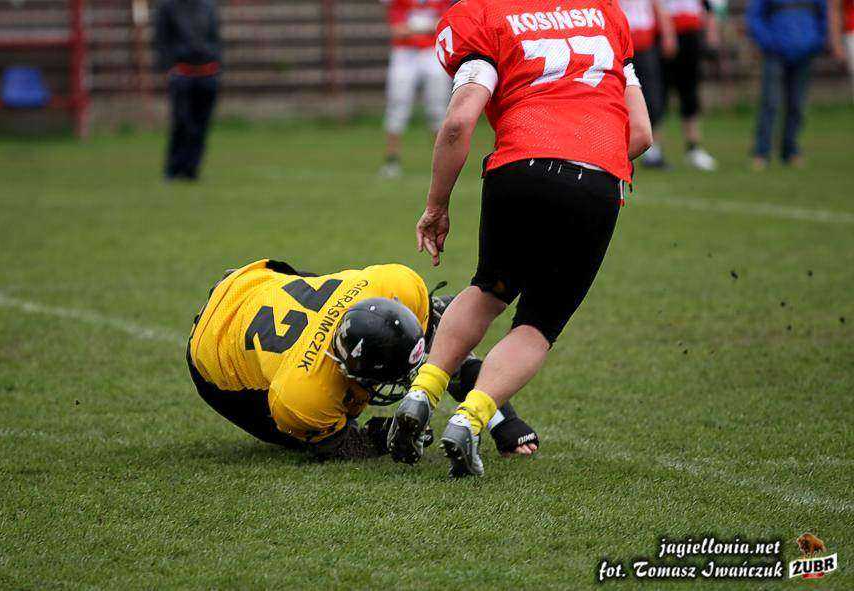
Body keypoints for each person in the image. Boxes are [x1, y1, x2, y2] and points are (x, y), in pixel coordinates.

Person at [387, 0, 652, 476]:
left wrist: (436, 205)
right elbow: (642, 133)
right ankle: (470, 418)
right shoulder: (606, 13)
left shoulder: (484, 15)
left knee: (489, 289)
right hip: (596, 175)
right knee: (539, 321)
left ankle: (422, 393)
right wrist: (590, 162)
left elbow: (458, 122)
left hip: (519, 167)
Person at [187, 258, 539, 460]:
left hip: (254, 280)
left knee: (439, 332)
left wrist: (503, 420)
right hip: (212, 345)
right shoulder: (304, 392)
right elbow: (342, 446)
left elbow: (449, 350)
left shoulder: (397, 287)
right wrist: (381, 439)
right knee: (306, 438)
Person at [747, 0, 831, 168]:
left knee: (797, 105)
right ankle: (761, 152)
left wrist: (815, 42)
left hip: (804, 53)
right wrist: (768, 42)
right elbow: (754, 17)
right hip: (774, 53)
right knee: (770, 103)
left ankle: (790, 151)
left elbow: (823, 17)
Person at [380, 0, 454, 178]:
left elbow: (447, 23)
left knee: (438, 108)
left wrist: (413, 28)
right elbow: (397, 30)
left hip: (432, 51)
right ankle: (392, 160)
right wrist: (429, 26)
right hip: (405, 52)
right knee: (397, 104)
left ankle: (443, 164)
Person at [154, 0, 221, 181]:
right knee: (182, 122)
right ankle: (173, 168)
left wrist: (218, 67)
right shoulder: (168, 7)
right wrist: (168, 68)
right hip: (182, 74)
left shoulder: (208, 6)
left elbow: (216, 39)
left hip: (208, 74)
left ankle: (192, 169)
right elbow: (161, 41)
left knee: (201, 125)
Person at [661, 0, 720, 170]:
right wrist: (667, 33)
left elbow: (708, 8)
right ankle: (653, 148)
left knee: (690, 93)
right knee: (659, 94)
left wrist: (712, 34)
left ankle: (693, 147)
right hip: (664, 36)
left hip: (690, 36)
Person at [620, 0, 678, 168]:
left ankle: (653, 150)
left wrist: (668, 34)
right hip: (622, 47)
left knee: (653, 100)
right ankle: (616, 147)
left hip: (645, 45)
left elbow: (658, 7)